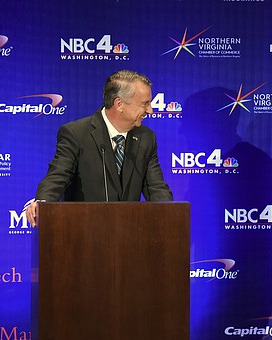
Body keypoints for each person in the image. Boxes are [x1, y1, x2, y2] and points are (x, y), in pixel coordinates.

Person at [26, 70, 173, 227]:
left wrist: (170, 213)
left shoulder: (146, 137)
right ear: (119, 104)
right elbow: (57, 176)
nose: (150, 110)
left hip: (128, 234)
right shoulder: (76, 134)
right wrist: (43, 203)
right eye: (145, 103)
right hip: (84, 232)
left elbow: (155, 186)